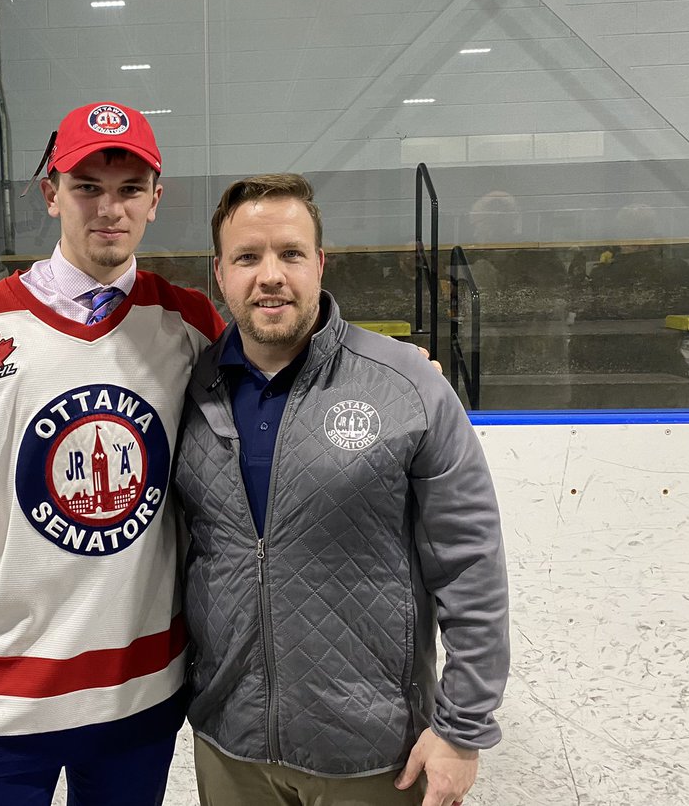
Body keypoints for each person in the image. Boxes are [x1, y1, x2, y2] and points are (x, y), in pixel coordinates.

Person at [0, 102, 224, 806]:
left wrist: (389, 366)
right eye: (87, 185)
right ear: (51, 193)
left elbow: (288, 371)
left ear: (157, 199)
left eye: (128, 189)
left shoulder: (188, 323)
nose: (108, 208)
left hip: (139, 691)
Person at [172, 173, 510, 806]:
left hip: (375, 754)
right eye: (247, 257)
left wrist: (461, 732)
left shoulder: (406, 386)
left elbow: (471, 564)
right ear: (219, 273)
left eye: (290, 254)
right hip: (230, 744)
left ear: (320, 264)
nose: (269, 275)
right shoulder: (186, 391)